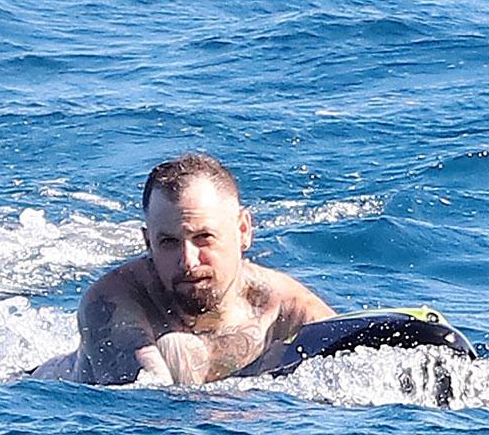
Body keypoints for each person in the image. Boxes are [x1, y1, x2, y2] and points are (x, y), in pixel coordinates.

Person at [34, 152, 334, 385]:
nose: (188, 261)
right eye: (168, 242)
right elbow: (143, 406)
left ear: (243, 230)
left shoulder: (288, 308)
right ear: (148, 242)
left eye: (203, 238)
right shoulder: (113, 302)